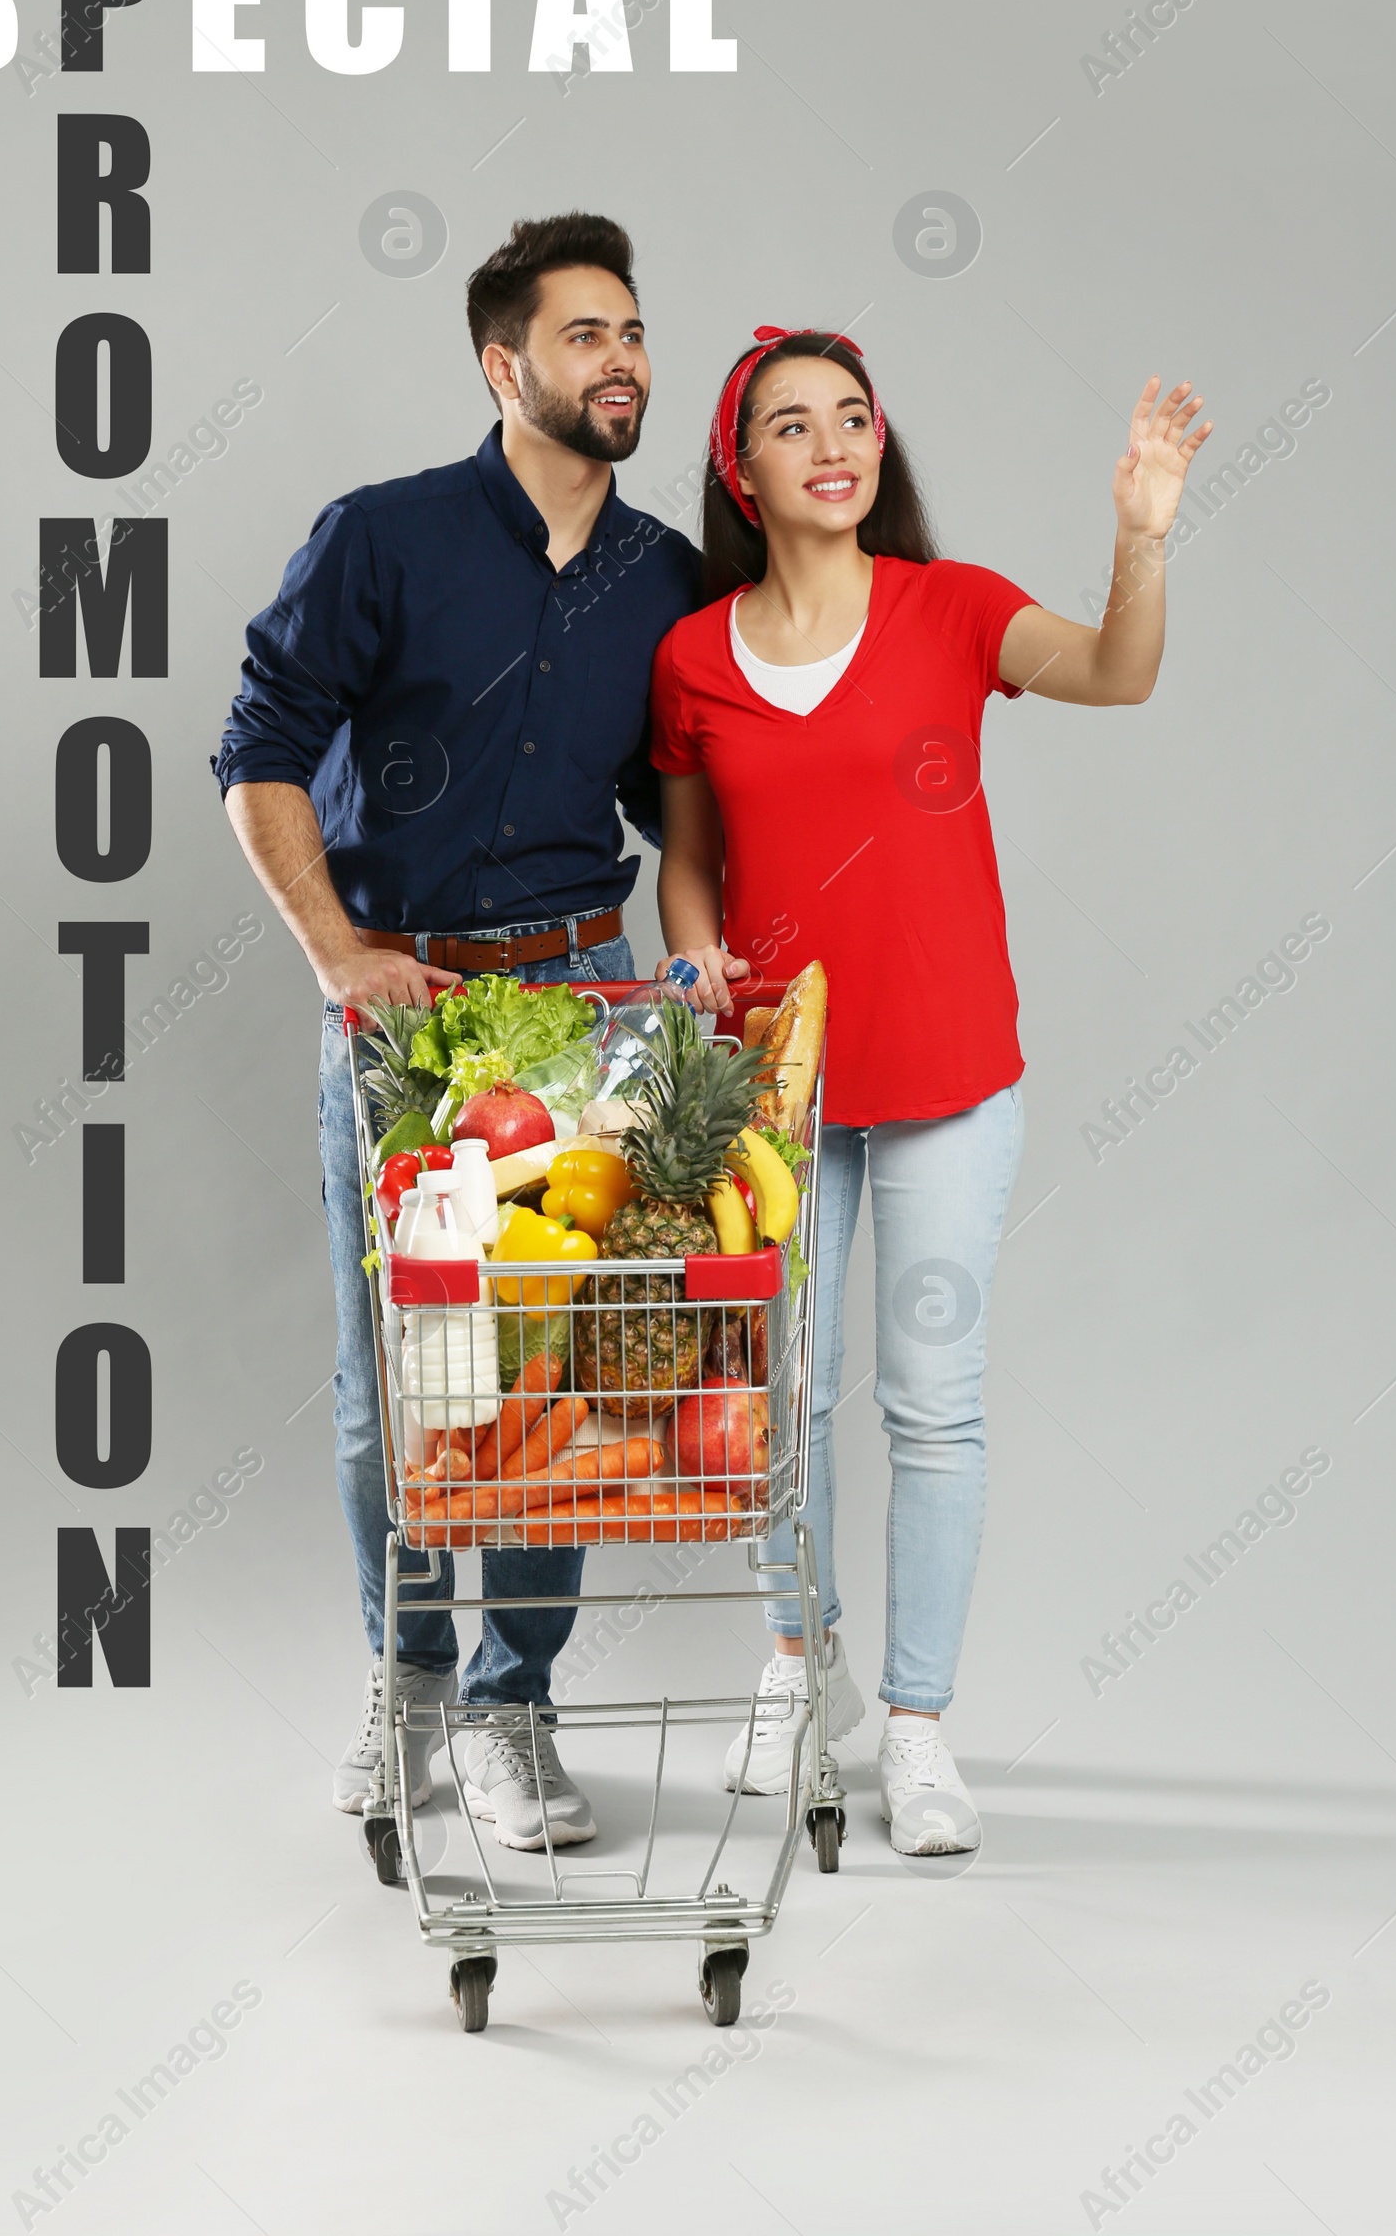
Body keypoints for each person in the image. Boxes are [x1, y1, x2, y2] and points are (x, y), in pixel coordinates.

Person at [649, 326, 1210, 1853]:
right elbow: (687, 865)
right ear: (741, 472)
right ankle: (796, 1663)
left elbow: (1117, 673)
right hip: (784, 1092)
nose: (833, 443)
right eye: (791, 425)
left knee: (932, 1410)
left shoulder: (952, 613)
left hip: (953, 1078)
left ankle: (915, 1727)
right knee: (781, 1402)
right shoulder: (693, 655)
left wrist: (1138, 541)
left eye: (853, 417)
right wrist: (695, 963)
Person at [213, 213, 701, 1849]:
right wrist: (336, 951)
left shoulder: (666, 580)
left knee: (549, 1377)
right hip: (409, 1014)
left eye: (630, 329)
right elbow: (260, 750)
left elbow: (679, 796)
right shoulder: (386, 537)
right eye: (585, 334)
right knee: (400, 1384)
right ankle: (407, 1675)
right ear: (505, 366)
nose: (621, 356)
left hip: (581, 999)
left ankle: (513, 1706)